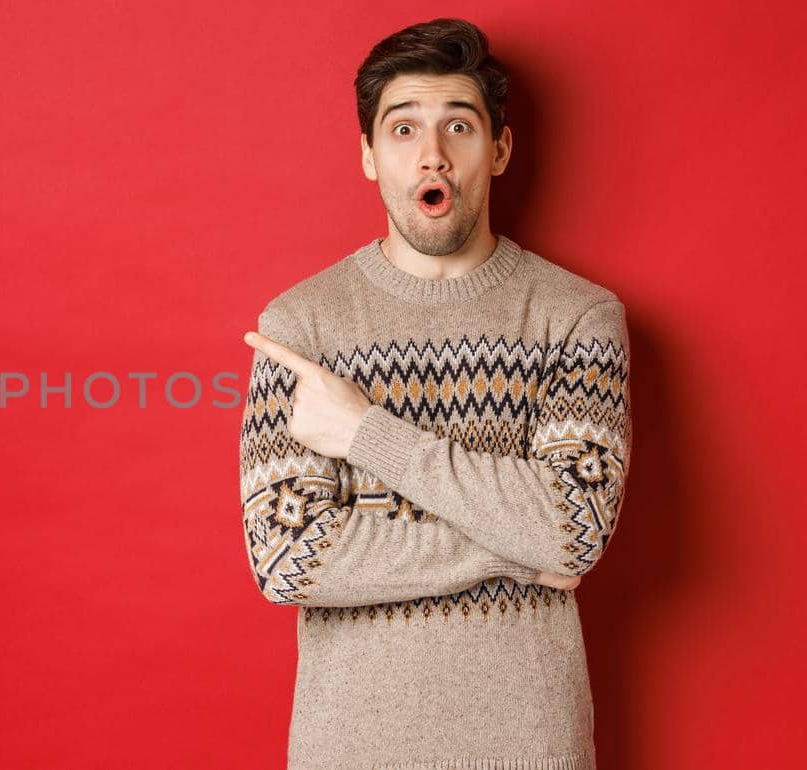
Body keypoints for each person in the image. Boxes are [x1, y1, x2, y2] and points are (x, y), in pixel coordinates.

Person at [237, 17, 632, 769]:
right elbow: (289, 558)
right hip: (348, 747)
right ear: (367, 155)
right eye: (403, 128)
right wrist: (518, 551)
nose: (433, 154)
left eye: (460, 125)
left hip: (530, 746)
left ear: (500, 149)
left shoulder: (578, 316)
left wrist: (364, 435)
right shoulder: (300, 326)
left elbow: (573, 530)